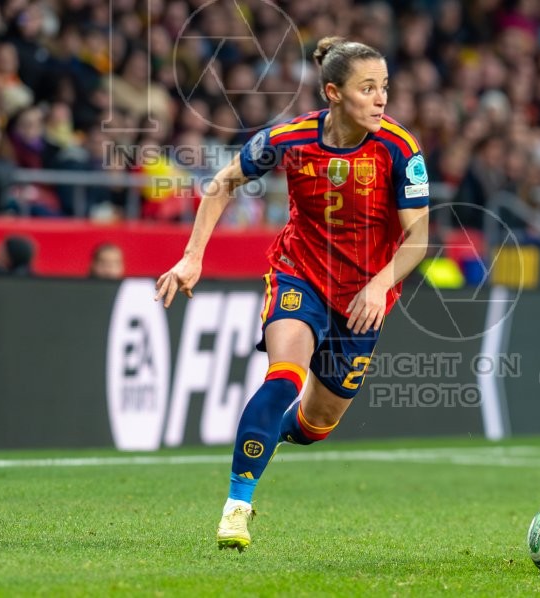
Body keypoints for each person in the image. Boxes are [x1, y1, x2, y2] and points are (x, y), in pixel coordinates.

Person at [154, 36, 430, 551]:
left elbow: (420, 236)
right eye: (367, 88)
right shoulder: (289, 138)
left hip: (363, 299)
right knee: (284, 376)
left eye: (384, 87)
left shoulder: (398, 148)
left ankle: (275, 434)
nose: (381, 99)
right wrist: (193, 256)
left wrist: (379, 283)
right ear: (333, 92)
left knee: (316, 424)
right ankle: (236, 507)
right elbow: (223, 183)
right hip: (298, 274)